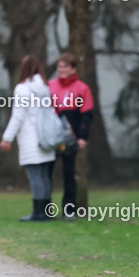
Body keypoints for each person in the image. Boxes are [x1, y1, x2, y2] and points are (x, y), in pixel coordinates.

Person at [0, 56, 56, 222]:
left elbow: (18, 116)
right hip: (47, 137)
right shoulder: (45, 87)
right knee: (44, 176)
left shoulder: (23, 89)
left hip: (31, 137)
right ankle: (47, 211)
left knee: (35, 176)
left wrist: (7, 138)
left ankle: (38, 213)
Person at [48, 52, 94, 219]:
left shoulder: (81, 89)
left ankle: (69, 210)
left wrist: (82, 137)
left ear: (73, 68)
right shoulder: (50, 86)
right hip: (51, 137)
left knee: (69, 174)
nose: (61, 70)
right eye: (59, 67)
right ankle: (45, 209)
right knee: (47, 173)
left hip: (71, 138)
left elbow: (86, 115)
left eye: (65, 67)